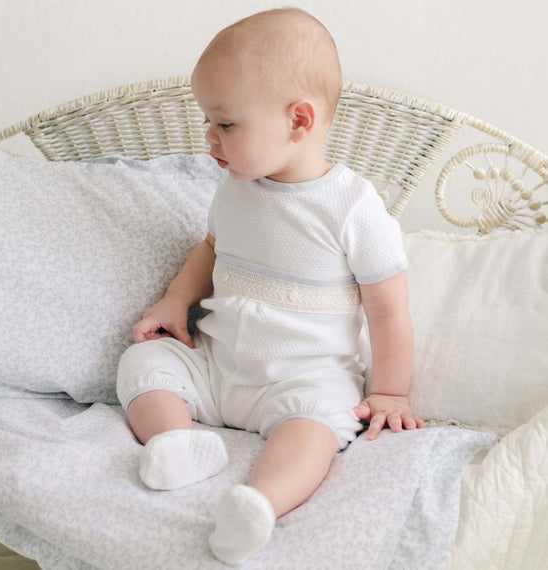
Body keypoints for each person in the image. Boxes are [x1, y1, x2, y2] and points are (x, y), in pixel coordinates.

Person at [117, 7, 426, 565]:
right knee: (142, 363)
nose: (209, 138)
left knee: (317, 427)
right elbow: (210, 250)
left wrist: (390, 391)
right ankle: (176, 443)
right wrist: (175, 300)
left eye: (226, 124)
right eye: (209, 121)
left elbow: (388, 312)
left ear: (299, 121)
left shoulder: (354, 207)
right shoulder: (237, 188)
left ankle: (260, 503)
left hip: (302, 377)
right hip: (218, 363)